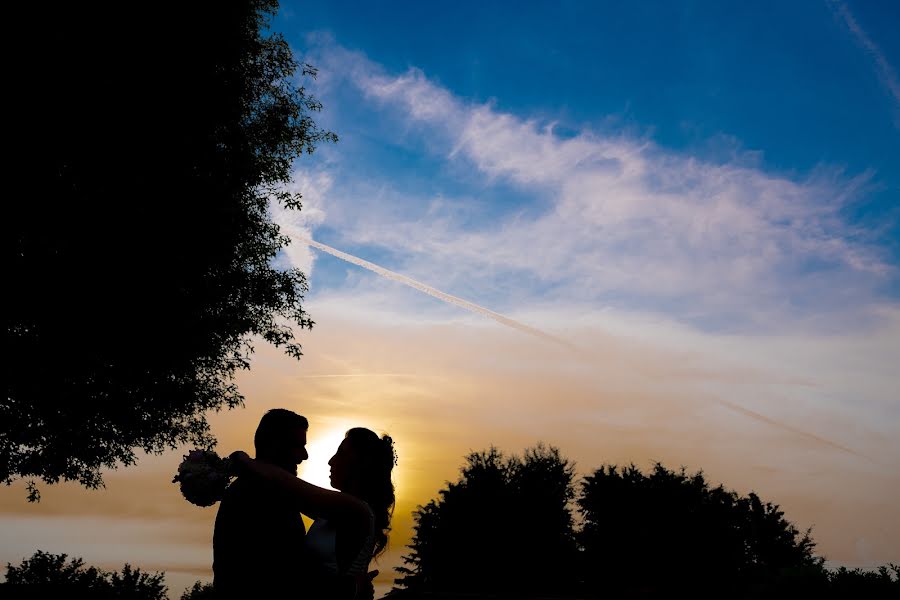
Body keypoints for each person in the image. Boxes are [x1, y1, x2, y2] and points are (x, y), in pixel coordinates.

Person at [230, 427, 397, 597]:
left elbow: (283, 483)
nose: (331, 461)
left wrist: (244, 461)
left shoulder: (357, 510)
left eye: (341, 453)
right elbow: (286, 494)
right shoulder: (329, 511)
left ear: (360, 464)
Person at [213, 409, 310, 599]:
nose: (304, 455)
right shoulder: (257, 493)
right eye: (298, 446)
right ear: (275, 446)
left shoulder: (266, 489)